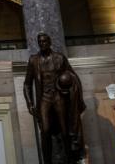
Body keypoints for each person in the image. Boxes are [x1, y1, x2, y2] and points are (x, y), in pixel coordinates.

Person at [23, 32, 84, 164]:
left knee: (64, 129)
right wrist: (30, 103)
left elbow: (73, 76)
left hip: (58, 96)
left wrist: (69, 87)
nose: (42, 44)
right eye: (40, 42)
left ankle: (70, 159)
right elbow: (27, 84)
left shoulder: (59, 58)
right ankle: (47, 161)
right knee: (45, 131)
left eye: (44, 41)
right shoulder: (34, 60)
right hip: (44, 98)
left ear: (50, 42)